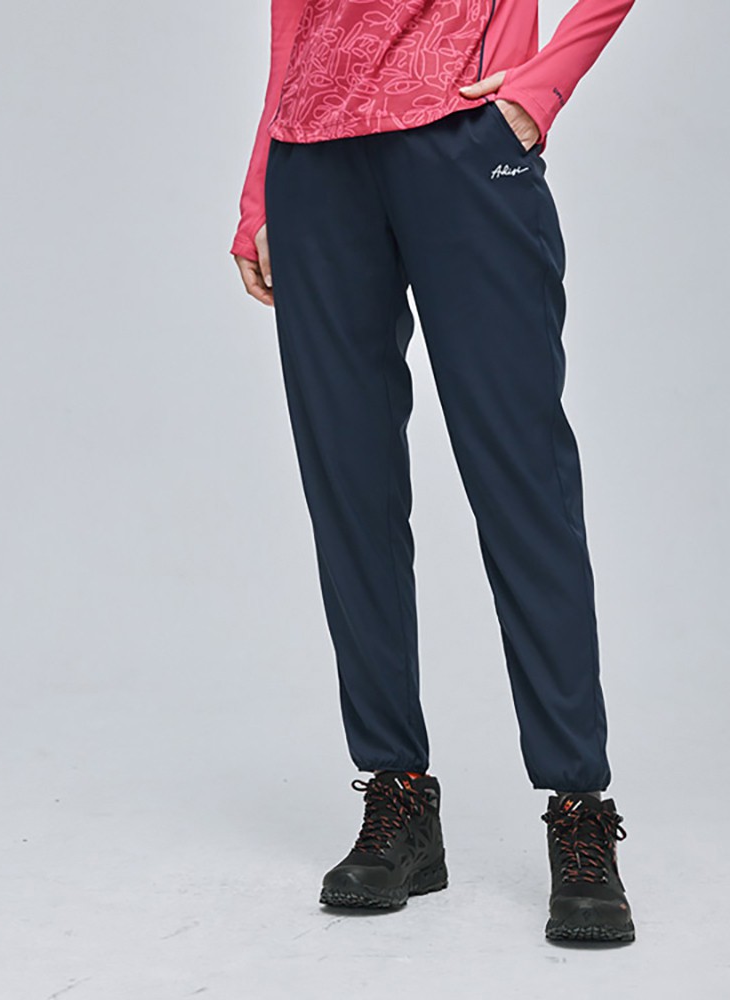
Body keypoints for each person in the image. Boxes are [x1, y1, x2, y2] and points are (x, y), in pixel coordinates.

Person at [230, 0, 638, 942]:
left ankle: (579, 805)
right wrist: (260, 186)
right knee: (349, 484)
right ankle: (398, 794)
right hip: (313, 162)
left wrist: (544, 86)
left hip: (463, 141)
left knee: (520, 475)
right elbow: (296, 20)